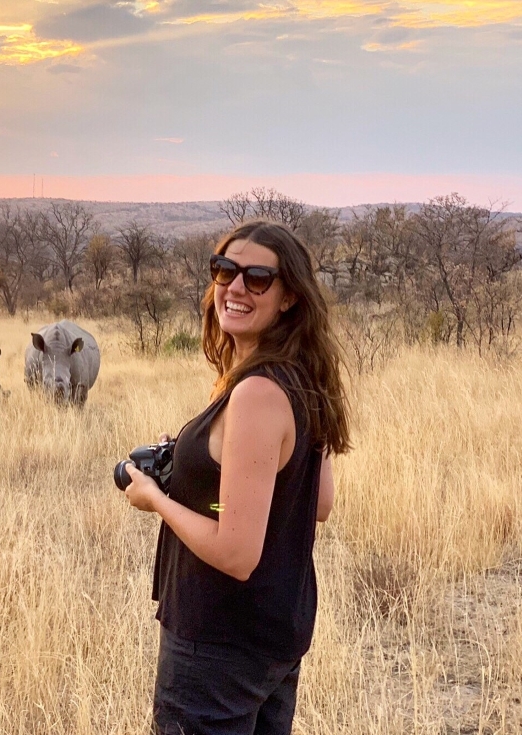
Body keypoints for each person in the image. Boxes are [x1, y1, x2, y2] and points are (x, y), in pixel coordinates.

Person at [122, 220, 351, 735]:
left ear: (289, 296)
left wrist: (156, 497)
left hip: (218, 641)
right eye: (224, 270)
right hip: (272, 636)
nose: (235, 286)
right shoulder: (299, 381)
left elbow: (236, 555)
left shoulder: (255, 394)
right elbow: (318, 503)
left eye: (258, 278)